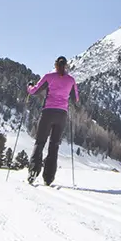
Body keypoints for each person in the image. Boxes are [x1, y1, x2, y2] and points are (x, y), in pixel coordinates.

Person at [25, 56, 80, 186]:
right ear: (66, 66)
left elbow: (34, 91)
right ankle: (48, 178)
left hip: (48, 113)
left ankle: (33, 172)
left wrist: (29, 86)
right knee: (54, 145)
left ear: (55, 65)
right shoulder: (71, 80)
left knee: (40, 143)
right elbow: (76, 99)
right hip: (62, 115)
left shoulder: (49, 77)